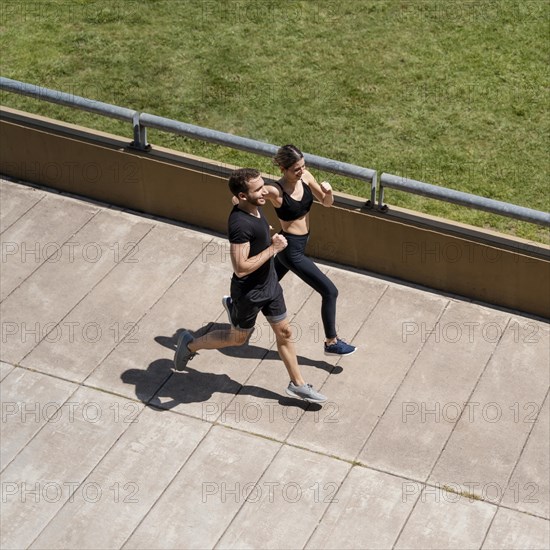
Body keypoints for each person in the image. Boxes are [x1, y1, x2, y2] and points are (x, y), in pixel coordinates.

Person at [174, 168, 327, 404]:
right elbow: (241, 267)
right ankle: (190, 344)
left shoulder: (252, 204)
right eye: (258, 189)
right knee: (237, 339)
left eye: (262, 185)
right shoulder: (239, 225)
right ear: (244, 196)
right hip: (250, 293)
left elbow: (235, 195)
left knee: (285, 332)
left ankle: (298, 385)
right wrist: (273, 249)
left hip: (270, 285)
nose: (263, 190)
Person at [251, 144, 356, 356]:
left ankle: (236, 303)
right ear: (282, 168)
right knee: (330, 291)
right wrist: (261, 227)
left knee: (265, 283)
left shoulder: (306, 177)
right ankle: (331, 342)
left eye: (302, 166)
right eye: (295, 169)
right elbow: (246, 199)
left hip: (298, 243)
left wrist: (329, 192)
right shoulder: (275, 190)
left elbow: (326, 203)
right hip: (291, 251)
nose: (300, 171)